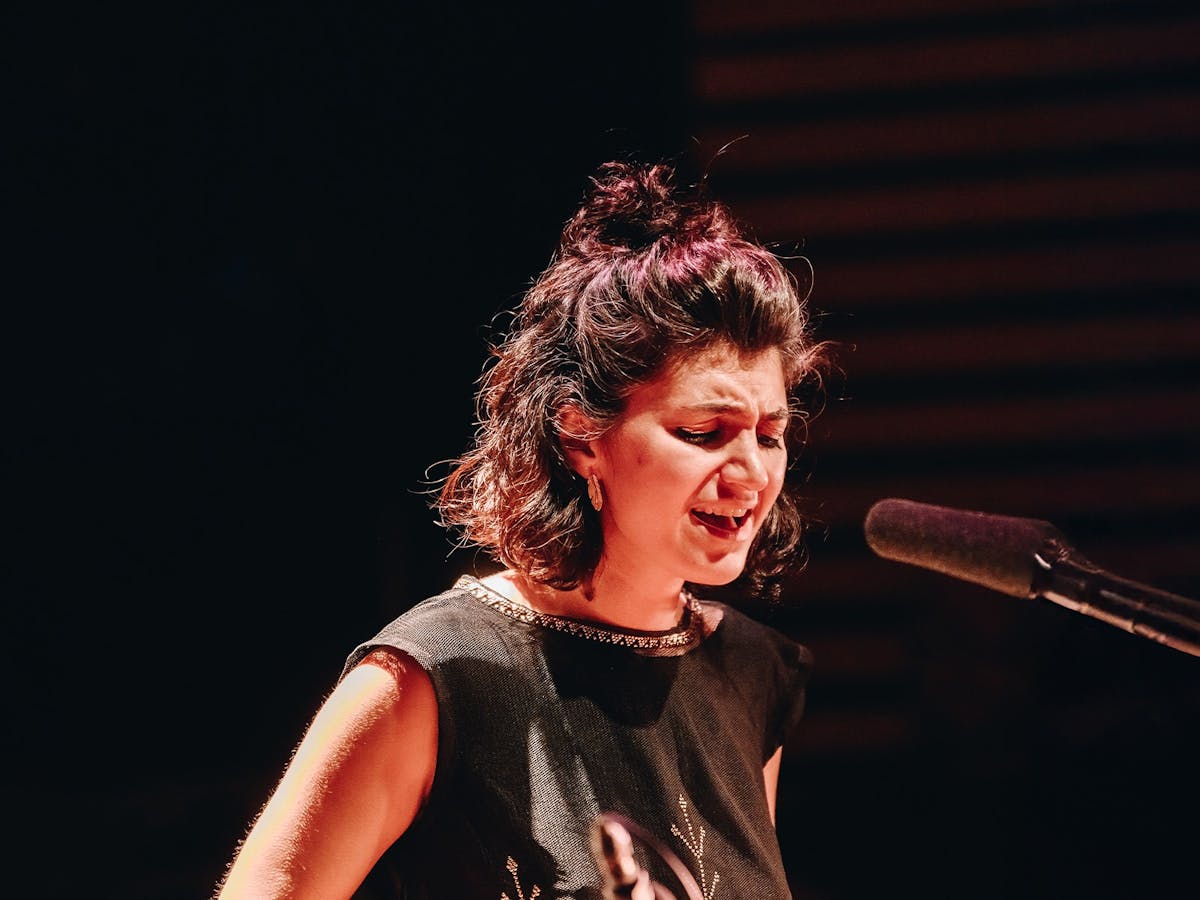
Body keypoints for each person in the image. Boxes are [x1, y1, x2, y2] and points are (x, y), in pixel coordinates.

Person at [215, 159, 829, 899]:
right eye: (702, 432)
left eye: (769, 433)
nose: (751, 473)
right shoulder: (439, 676)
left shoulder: (749, 672)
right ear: (580, 437)